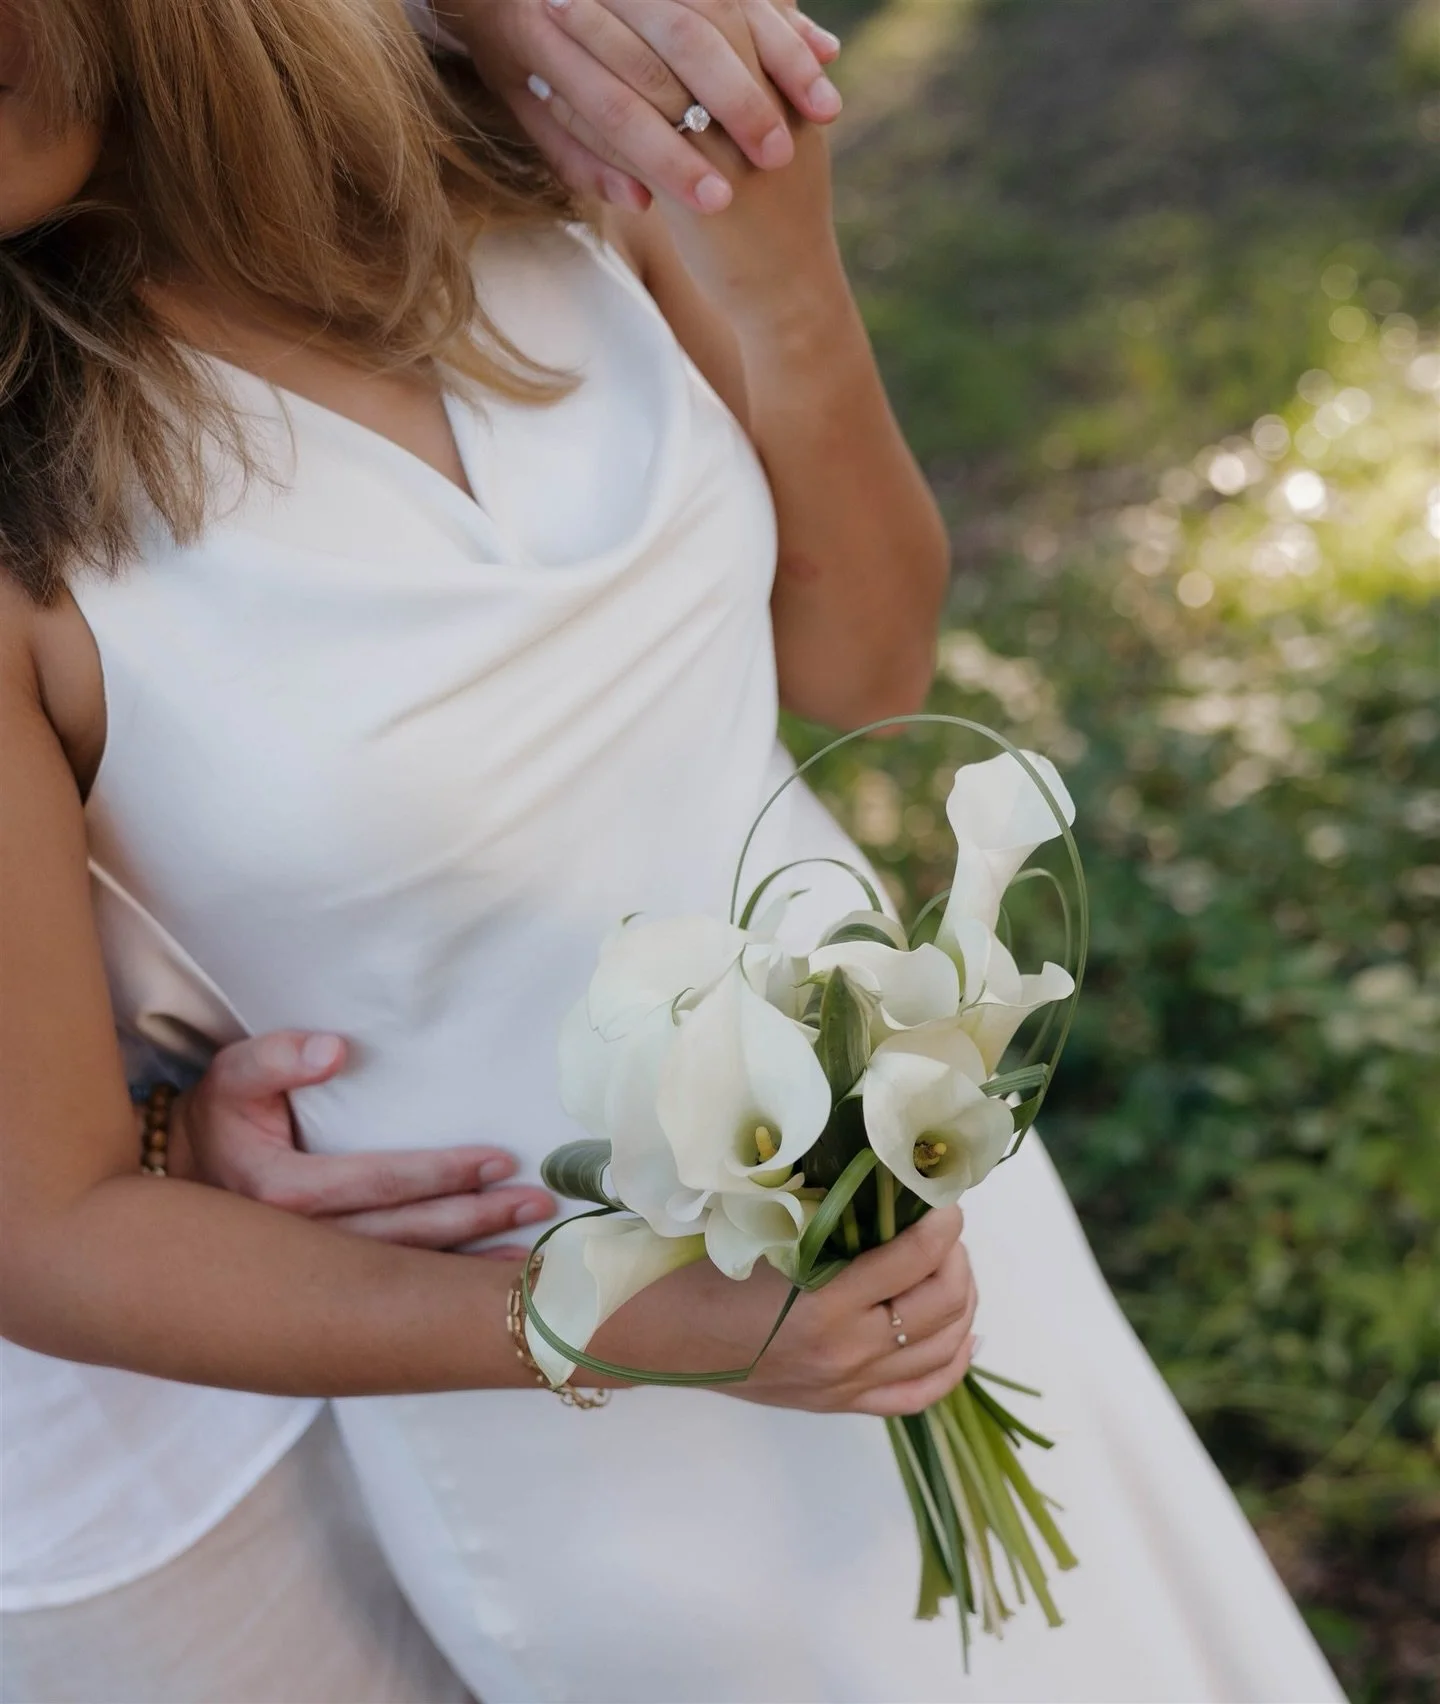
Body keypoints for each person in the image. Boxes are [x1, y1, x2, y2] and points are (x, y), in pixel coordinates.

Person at [0, 4, 1343, 1702]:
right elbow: (41, 1227)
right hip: (611, 1455)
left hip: (950, 1241)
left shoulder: (551, 135)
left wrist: (776, 252)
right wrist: (636, 1328)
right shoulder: (25, 525)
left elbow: (858, 675)